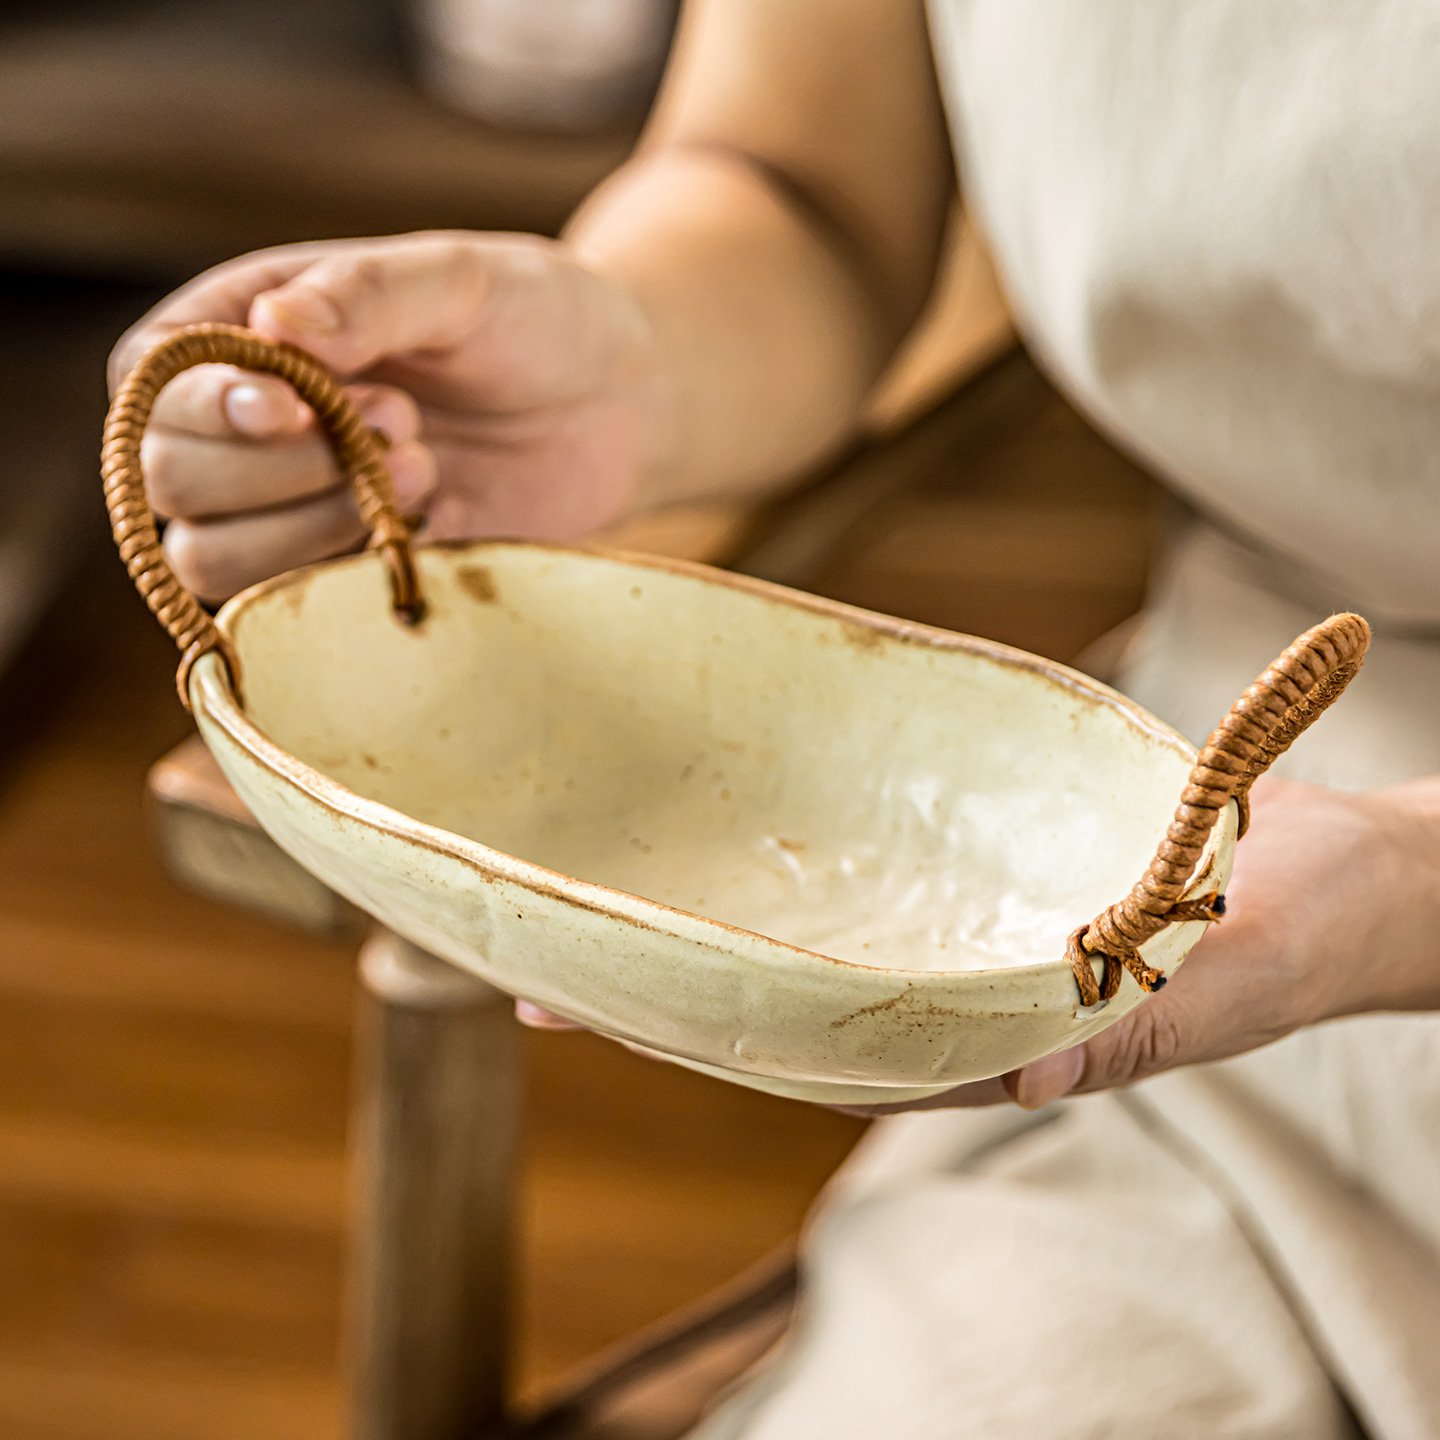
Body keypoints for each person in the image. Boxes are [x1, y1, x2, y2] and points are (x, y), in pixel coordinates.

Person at [111, 3, 1440, 1435]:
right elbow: (802, 181)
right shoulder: (1186, 872)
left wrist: (1406, 887)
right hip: (1234, 905)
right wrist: (627, 356)